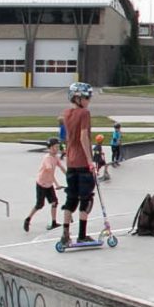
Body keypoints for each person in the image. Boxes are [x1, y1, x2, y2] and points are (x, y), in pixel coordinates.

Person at [58, 82, 99, 245]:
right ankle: (82, 234)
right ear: (77, 97)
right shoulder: (84, 113)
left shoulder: (66, 113)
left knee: (71, 198)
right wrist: (90, 161)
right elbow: (83, 137)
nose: (89, 100)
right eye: (86, 97)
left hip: (71, 162)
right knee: (86, 198)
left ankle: (65, 233)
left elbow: (70, 137)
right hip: (82, 161)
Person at [25, 142, 63, 231]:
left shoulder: (55, 157)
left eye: (58, 147)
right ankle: (27, 219)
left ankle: (54, 222)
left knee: (54, 202)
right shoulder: (47, 159)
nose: (57, 149)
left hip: (49, 184)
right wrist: (57, 184)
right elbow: (50, 173)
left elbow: (61, 167)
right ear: (50, 148)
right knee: (39, 205)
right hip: (41, 184)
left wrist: (70, 177)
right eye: (55, 147)